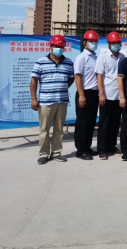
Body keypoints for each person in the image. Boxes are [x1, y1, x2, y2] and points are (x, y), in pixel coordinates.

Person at [30, 35, 74, 165]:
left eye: (61, 46)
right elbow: (34, 81)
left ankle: (56, 153)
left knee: (59, 129)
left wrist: (61, 87)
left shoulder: (68, 62)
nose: (58, 48)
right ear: (50, 47)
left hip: (62, 101)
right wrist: (34, 99)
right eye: (56, 46)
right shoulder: (41, 61)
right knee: (44, 129)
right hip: (45, 102)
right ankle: (44, 154)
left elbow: (71, 78)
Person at [94, 32, 124, 160]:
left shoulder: (123, 57)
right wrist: (101, 94)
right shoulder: (103, 57)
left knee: (115, 123)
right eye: (113, 43)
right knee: (104, 123)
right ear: (109, 44)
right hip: (107, 94)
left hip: (118, 96)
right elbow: (99, 76)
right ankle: (102, 149)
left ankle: (111, 146)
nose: (116, 45)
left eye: (118, 43)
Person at [73, 30, 100, 160]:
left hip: (94, 94)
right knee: (82, 123)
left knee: (91, 122)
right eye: (91, 41)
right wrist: (81, 95)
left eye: (95, 41)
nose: (93, 43)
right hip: (84, 93)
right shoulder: (81, 58)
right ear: (85, 42)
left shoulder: (96, 57)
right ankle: (81, 150)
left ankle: (87, 147)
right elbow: (78, 77)